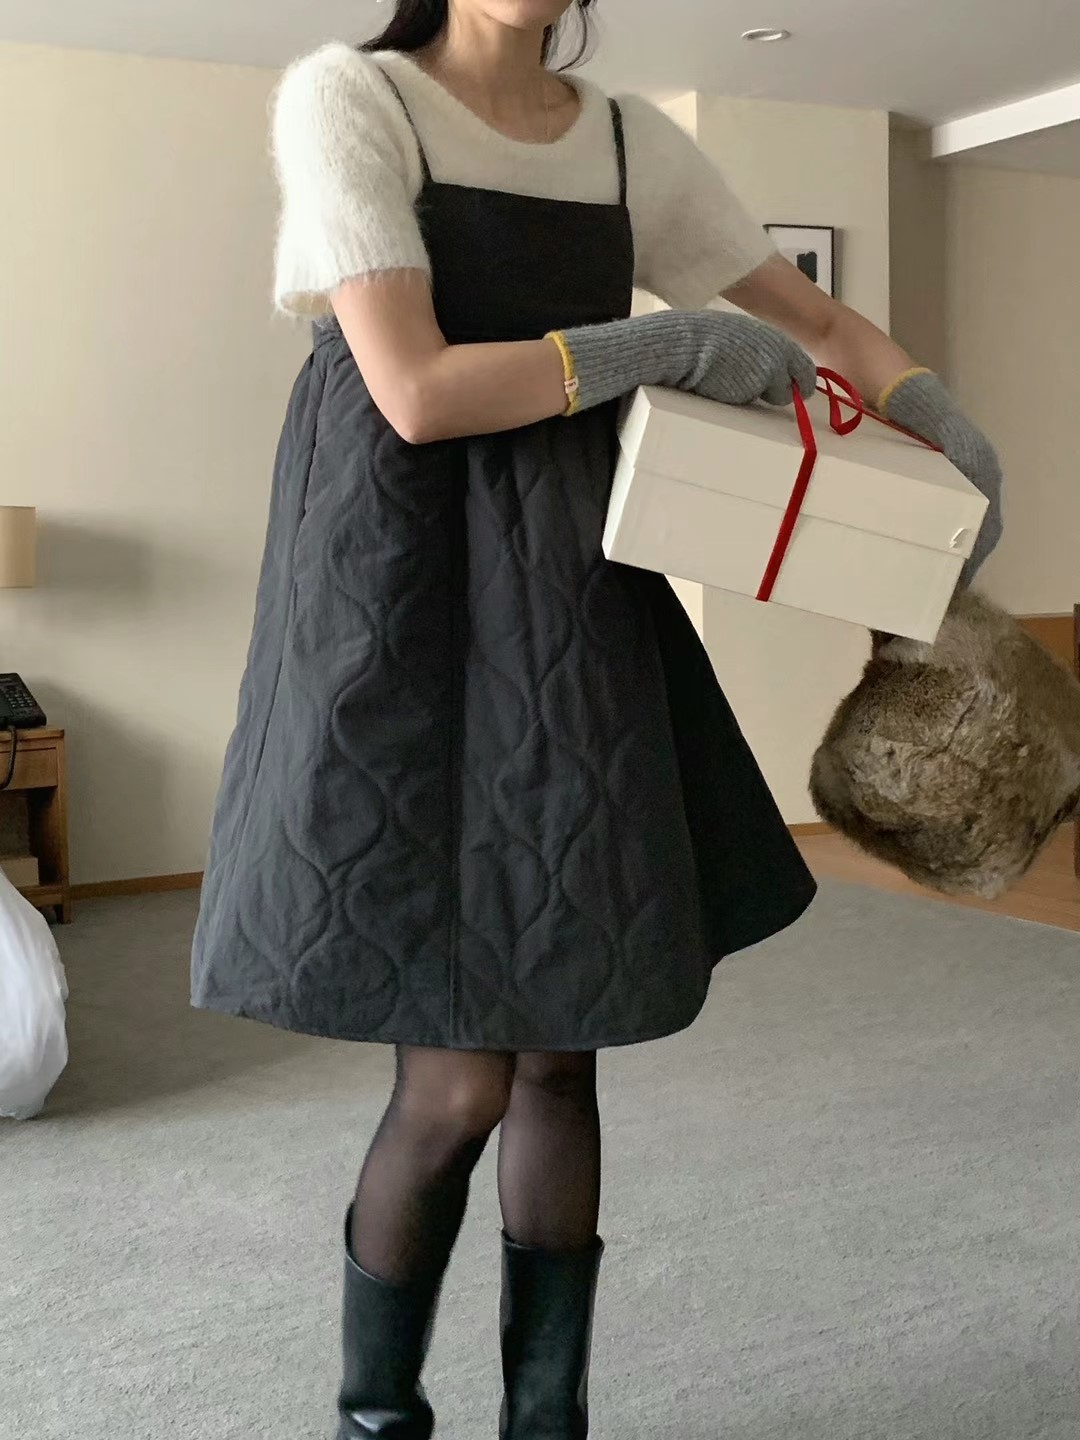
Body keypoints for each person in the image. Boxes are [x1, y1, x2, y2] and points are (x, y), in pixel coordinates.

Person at [190, 1, 1004, 1434]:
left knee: (564, 1044)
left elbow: (816, 320)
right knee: (458, 1078)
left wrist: (936, 416)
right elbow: (414, 391)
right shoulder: (351, 96)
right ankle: (377, 1416)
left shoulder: (629, 141)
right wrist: (657, 346)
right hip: (396, 584)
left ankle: (546, 1422)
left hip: (570, 581)